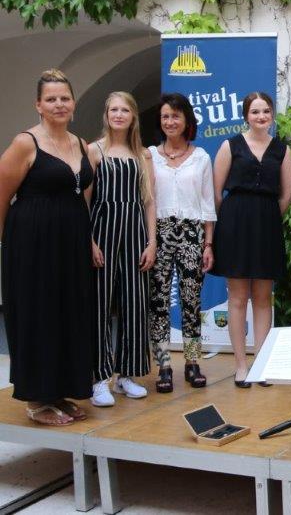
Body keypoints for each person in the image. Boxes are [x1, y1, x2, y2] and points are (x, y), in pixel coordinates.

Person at [0, 70, 95, 425]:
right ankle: (36, 399)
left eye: (64, 98)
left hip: (70, 243)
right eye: (51, 99)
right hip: (32, 245)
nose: (59, 104)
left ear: (73, 103)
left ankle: (59, 391)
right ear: (38, 105)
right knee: (38, 314)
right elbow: (2, 196)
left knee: (67, 312)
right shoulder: (26, 143)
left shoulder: (80, 143)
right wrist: (10, 245)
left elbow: (82, 196)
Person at [212, 92, 291, 388]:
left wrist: (266, 217)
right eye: (255, 111)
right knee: (237, 298)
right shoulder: (230, 146)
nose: (261, 116)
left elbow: (286, 195)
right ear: (246, 115)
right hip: (234, 224)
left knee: (262, 297)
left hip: (267, 225)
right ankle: (241, 366)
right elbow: (216, 193)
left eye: (266, 111)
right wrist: (233, 219)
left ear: (272, 114)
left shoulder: (282, 150)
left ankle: (261, 363)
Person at [88, 92, 157, 407]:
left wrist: (152, 242)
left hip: (135, 232)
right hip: (102, 230)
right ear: (106, 115)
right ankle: (99, 378)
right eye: (113, 109)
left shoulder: (143, 154)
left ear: (133, 116)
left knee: (135, 301)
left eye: (124, 110)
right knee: (100, 303)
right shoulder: (94, 150)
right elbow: (84, 200)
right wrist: (89, 241)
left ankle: (126, 375)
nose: (118, 114)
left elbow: (149, 201)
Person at [149, 93, 217, 392]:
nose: (170, 121)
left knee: (191, 301)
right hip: (159, 232)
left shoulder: (201, 157)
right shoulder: (149, 156)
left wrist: (208, 244)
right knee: (159, 301)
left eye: (175, 116)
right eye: (165, 116)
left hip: (192, 234)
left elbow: (207, 204)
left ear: (186, 119)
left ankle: (192, 362)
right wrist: (150, 240)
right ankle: (163, 365)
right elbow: (147, 200)